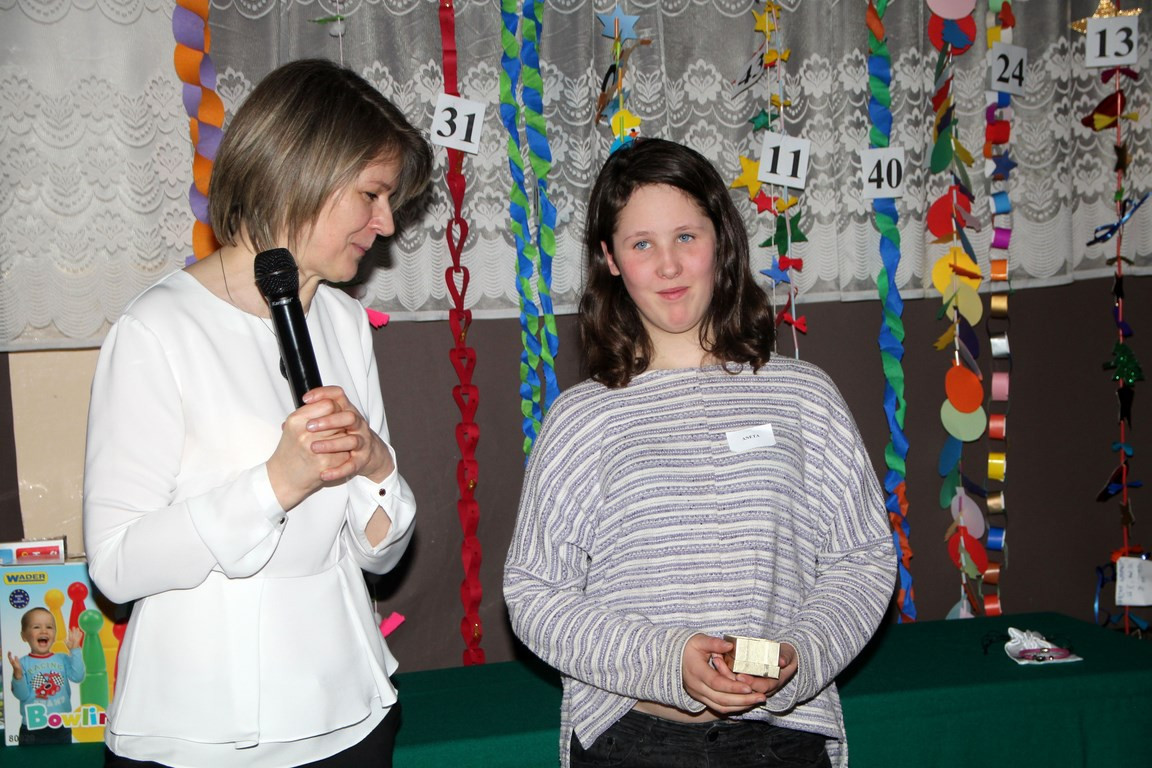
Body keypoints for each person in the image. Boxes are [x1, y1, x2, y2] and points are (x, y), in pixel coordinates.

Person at [503, 137, 897, 768]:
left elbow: (863, 559)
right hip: (634, 744)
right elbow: (534, 593)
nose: (668, 266)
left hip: (781, 740)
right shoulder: (581, 418)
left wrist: (803, 654)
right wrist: (665, 660)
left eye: (686, 237)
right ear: (609, 259)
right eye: (641, 244)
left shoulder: (804, 396)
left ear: (722, 242)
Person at [83, 58, 432, 767]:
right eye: (371, 194)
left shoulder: (344, 322)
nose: (386, 223)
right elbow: (116, 565)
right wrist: (274, 483)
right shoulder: (158, 330)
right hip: (202, 732)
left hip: (348, 716)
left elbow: (377, 554)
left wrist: (375, 465)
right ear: (301, 171)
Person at [7, 607, 86, 745]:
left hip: (61, 724)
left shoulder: (62, 658)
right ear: (24, 636)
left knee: (62, 756)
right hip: (31, 727)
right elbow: (22, 695)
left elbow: (78, 676)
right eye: (36, 627)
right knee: (29, 757)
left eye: (49, 627)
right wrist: (18, 675)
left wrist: (75, 650)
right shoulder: (22, 663)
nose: (44, 631)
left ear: (54, 635)